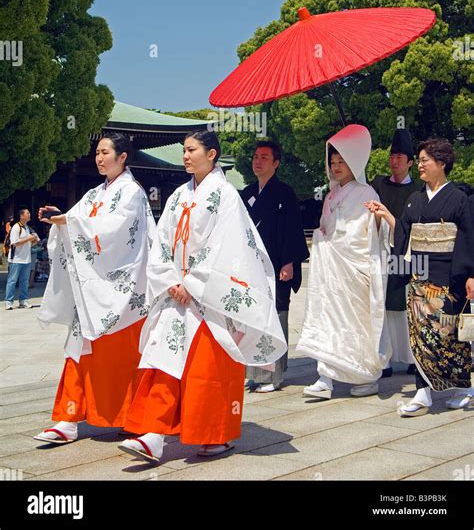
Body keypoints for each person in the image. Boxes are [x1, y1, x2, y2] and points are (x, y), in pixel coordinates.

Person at [120, 130, 286, 462]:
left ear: (211, 154)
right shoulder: (178, 196)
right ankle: (154, 433)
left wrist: (193, 283)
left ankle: (215, 434)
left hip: (209, 297)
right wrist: (170, 280)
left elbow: (229, 245)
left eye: (192, 150)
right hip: (174, 293)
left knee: (205, 368)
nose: (185, 155)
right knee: (162, 360)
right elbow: (161, 242)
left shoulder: (225, 195)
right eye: (184, 150)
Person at [33, 132, 156, 444]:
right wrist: (58, 220)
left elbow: (114, 230)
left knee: (125, 356)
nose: (99, 158)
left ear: (122, 156)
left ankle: (133, 416)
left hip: (124, 289)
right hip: (91, 288)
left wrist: (67, 222)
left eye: (105, 152)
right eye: (97, 153)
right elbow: (76, 219)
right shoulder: (94, 194)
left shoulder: (132, 192)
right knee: (79, 349)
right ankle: (68, 418)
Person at [366, 138, 474, 416]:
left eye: (425, 160)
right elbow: (404, 234)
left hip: (451, 275)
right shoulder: (416, 199)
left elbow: (468, 239)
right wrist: (387, 215)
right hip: (420, 274)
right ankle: (423, 392)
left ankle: (463, 388)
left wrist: (470, 275)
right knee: (420, 334)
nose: (421, 165)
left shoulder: (460, 199)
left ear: (442, 163)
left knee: (449, 335)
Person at [297, 124, 391, 399]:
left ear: (354, 163)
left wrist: (376, 218)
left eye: (342, 161)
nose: (336, 167)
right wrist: (322, 236)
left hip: (354, 270)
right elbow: (327, 226)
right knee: (327, 319)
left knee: (354, 326)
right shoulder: (331, 195)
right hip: (332, 272)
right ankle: (324, 378)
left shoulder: (367, 193)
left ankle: (364, 375)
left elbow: (369, 233)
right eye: (333, 162)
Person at [241, 140, 309, 392]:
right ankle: (254, 371)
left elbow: (292, 229)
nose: (257, 161)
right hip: (252, 267)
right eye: (255, 156)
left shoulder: (285, 193)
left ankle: (273, 375)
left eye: (264, 158)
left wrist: (289, 262)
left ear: (276, 163)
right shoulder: (246, 193)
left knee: (276, 317)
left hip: (278, 264)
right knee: (252, 317)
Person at [371, 128, 422, 377]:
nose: (393, 161)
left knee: (409, 304)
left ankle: (413, 356)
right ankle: (385, 359)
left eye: (399, 157)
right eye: (392, 156)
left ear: (410, 162)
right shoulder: (378, 184)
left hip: (409, 253)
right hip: (381, 252)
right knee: (384, 303)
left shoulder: (420, 190)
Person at [5, 209, 39, 309]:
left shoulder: (27, 228)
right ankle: (9, 301)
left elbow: (27, 243)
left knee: (24, 281)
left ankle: (23, 300)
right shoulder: (16, 227)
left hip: (26, 259)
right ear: (21, 216)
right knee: (12, 281)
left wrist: (34, 241)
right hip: (16, 259)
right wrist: (29, 238)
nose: (29, 215)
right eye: (27, 213)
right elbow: (15, 243)